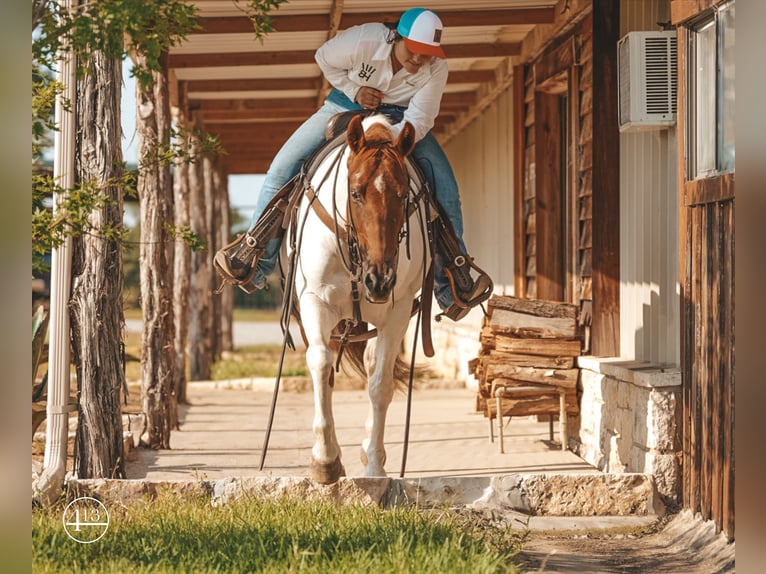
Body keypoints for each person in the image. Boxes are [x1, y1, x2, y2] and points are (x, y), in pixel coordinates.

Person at [215, 7, 491, 321]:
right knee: (281, 168)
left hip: (402, 122)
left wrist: (383, 135)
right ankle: (253, 259)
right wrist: (354, 90)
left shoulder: (437, 68)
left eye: (426, 54)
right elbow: (324, 57)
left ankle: (453, 282)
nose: (418, 60)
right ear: (397, 36)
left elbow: (421, 118)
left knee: (447, 190)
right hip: (344, 105)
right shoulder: (365, 38)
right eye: (414, 51)